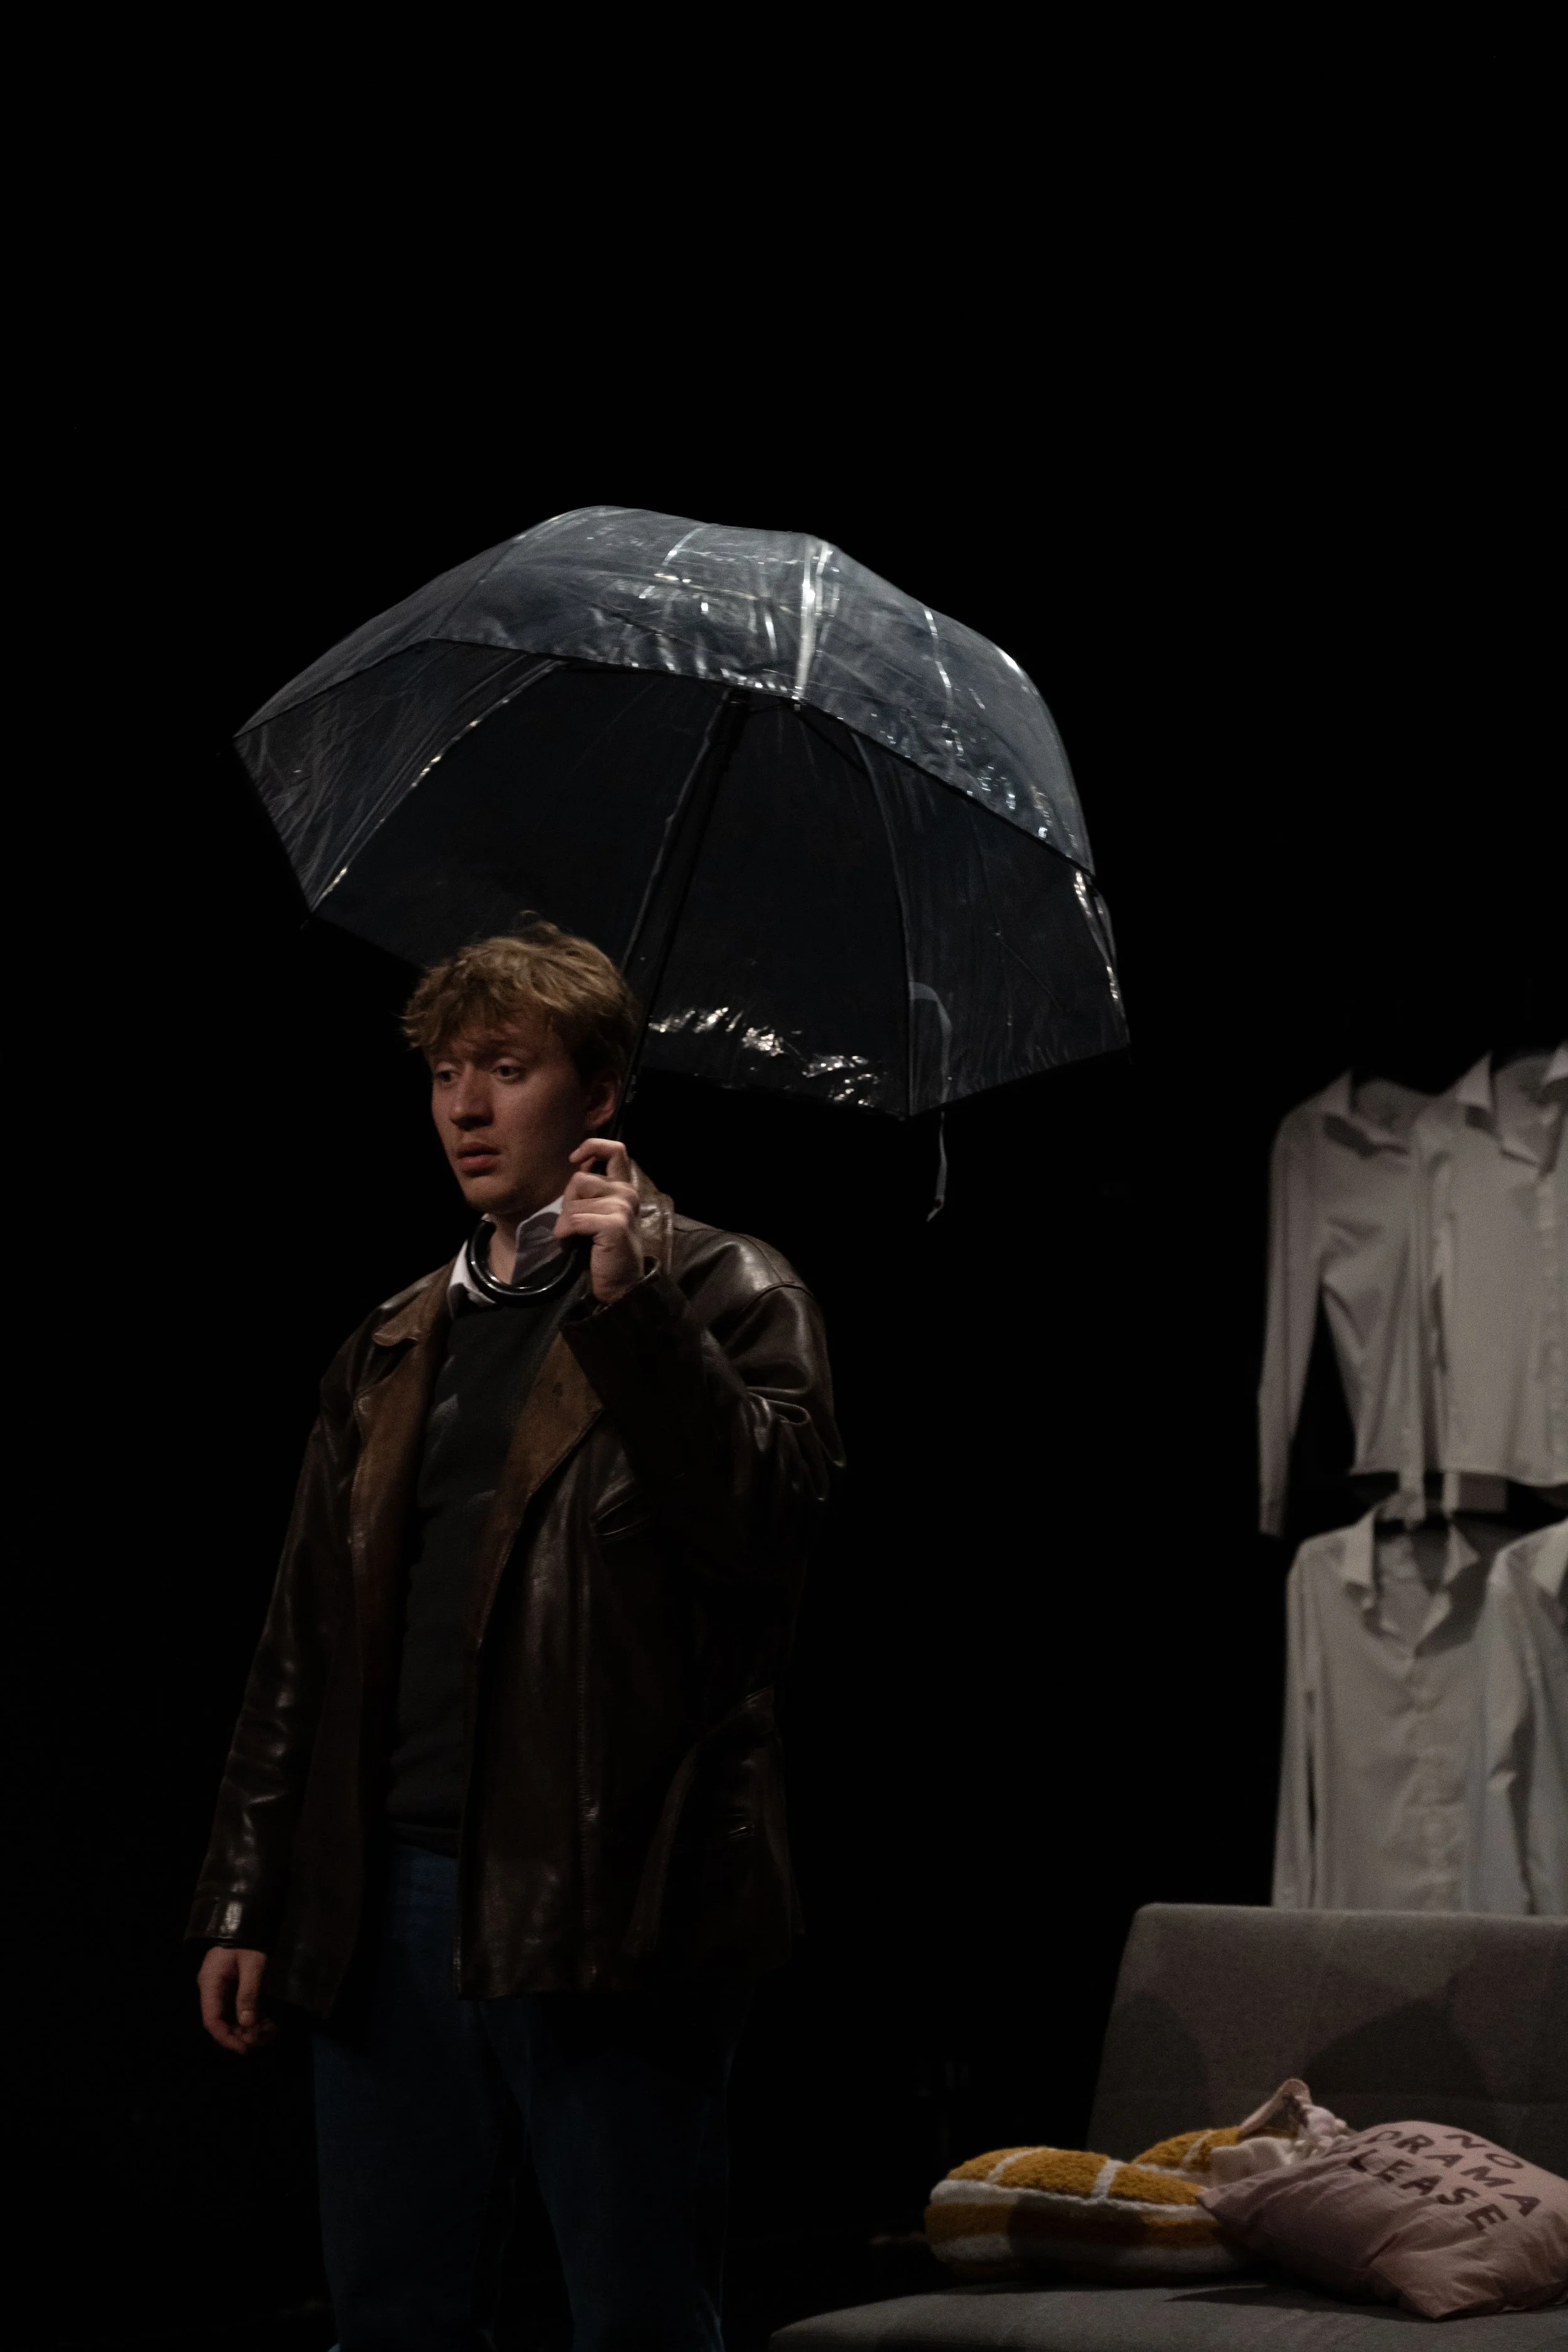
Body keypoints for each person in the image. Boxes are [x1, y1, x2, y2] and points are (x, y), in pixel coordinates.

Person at [189, 921, 841, 2351]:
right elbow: (299, 1640)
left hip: (609, 1896)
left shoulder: (730, 1294)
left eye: (507, 1067)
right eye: (443, 1073)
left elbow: (763, 1539)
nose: (467, 1108)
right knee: (394, 2313)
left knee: (636, 2314)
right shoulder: (390, 1340)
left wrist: (638, 1317)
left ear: (599, 1094)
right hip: (391, 1900)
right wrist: (249, 1894)